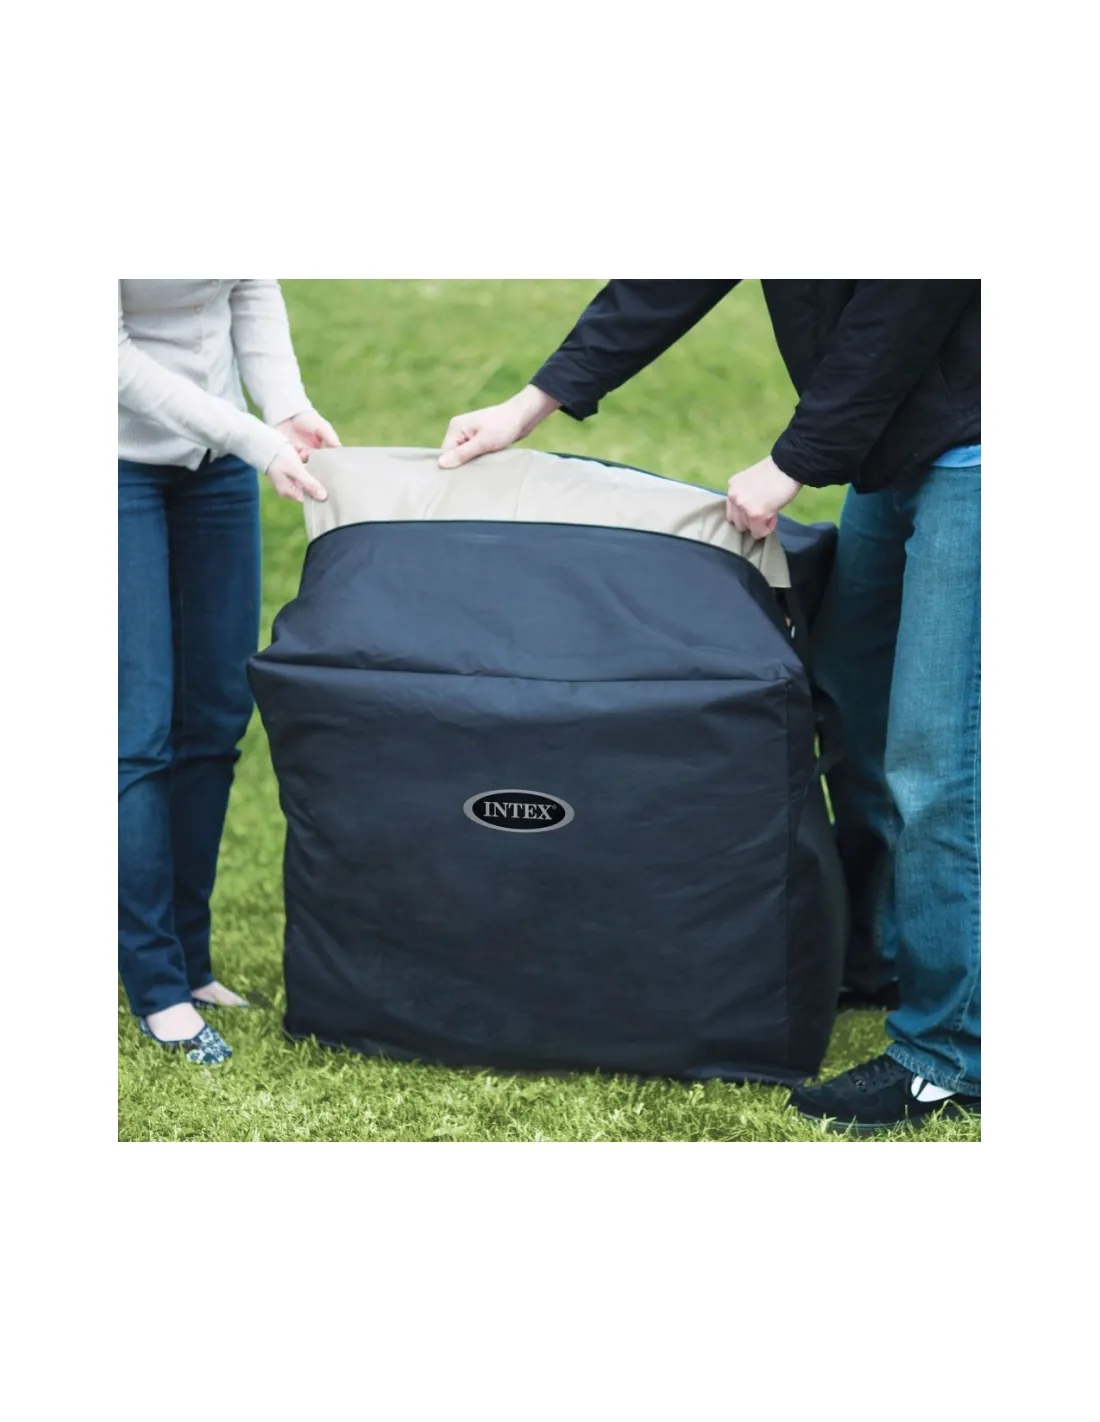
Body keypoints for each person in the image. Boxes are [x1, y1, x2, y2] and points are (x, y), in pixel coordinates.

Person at [437, 280, 980, 1131]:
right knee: (851, 701)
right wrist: (529, 404)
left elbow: (907, 300)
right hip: (896, 443)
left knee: (938, 756)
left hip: (977, 445)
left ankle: (951, 1053)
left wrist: (794, 460)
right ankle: (881, 958)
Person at [119, 279, 338, 1064]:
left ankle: (190, 961)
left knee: (214, 720)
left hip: (215, 463)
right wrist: (256, 438)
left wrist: (283, 406)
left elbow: (250, 282)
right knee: (137, 733)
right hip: (113, 462)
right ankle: (156, 985)